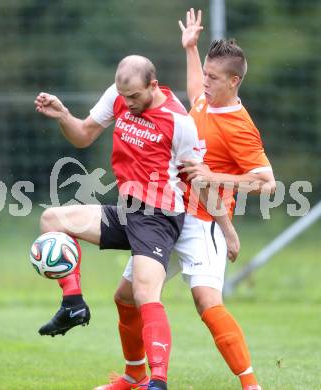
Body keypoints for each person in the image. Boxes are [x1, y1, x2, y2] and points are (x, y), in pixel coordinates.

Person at [95, 9, 276, 390]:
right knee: (126, 298)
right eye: (206, 74)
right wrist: (191, 49)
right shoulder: (204, 102)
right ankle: (133, 375)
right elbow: (195, 89)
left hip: (205, 221)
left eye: (214, 78)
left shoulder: (241, 128)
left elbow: (267, 182)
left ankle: (251, 385)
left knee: (207, 303)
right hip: (168, 213)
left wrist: (214, 177)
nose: (205, 83)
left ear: (234, 80)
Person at [34, 54, 238, 390]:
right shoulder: (118, 96)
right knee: (52, 219)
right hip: (127, 210)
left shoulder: (179, 121)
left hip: (159, 217)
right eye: (123, 96)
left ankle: (157, 381)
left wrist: (227, 230)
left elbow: (200, 181)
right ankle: (73, 304)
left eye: (134, 97)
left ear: (153, 86)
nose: (127, 104)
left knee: (144, 293)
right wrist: (63, 115)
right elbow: (83, 135)